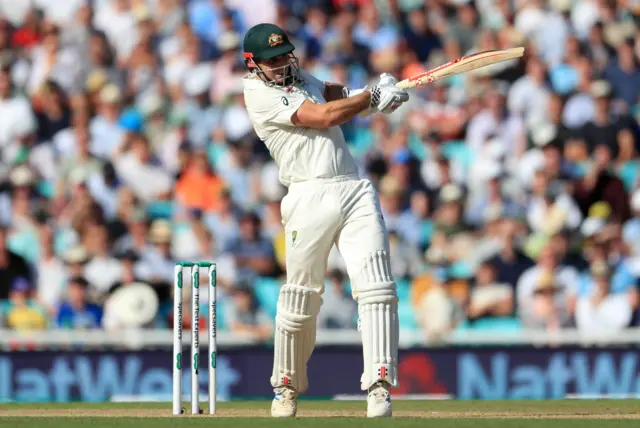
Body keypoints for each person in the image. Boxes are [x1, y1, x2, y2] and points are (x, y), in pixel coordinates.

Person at [242, 23, 409, 418]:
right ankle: (286, 386)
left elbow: (333, 94)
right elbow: (325, 115)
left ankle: (380, 384)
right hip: (307, 195)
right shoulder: (257, 93)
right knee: (302, 298)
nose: (282, 64)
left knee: (377, 288)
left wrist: (376, 96)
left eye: (285, 54)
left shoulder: (300, 77)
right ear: (253, 65)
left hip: (352, 187)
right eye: (272, 60)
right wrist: (369, 97)